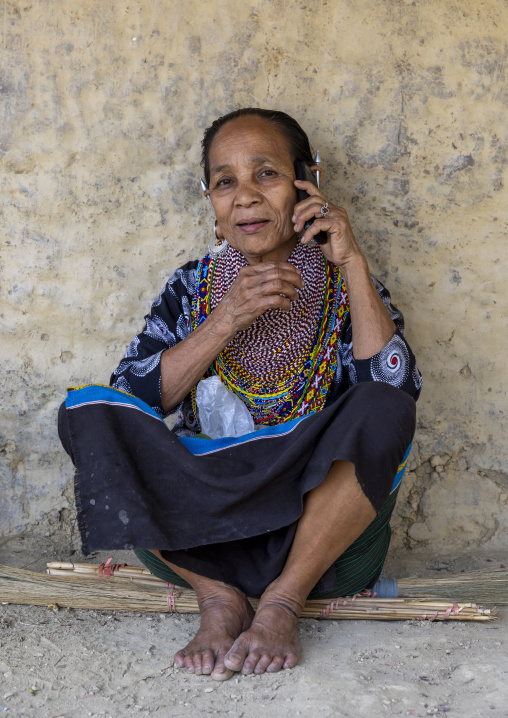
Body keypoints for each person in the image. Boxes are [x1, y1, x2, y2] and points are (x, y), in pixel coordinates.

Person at [58, 108, 421, 682]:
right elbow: (132, 401)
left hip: (319, 539)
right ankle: (218, 600)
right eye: (225, 181)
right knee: (89, 413)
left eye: (267, 174)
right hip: (205, 532)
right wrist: (225, 319)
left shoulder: (347, 284)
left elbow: (396, 391)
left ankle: (282, 603)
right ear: (211, 201)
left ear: (310, 180)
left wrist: (351, 261)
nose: (246, 197)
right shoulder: (191, 287)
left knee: (383, 407)